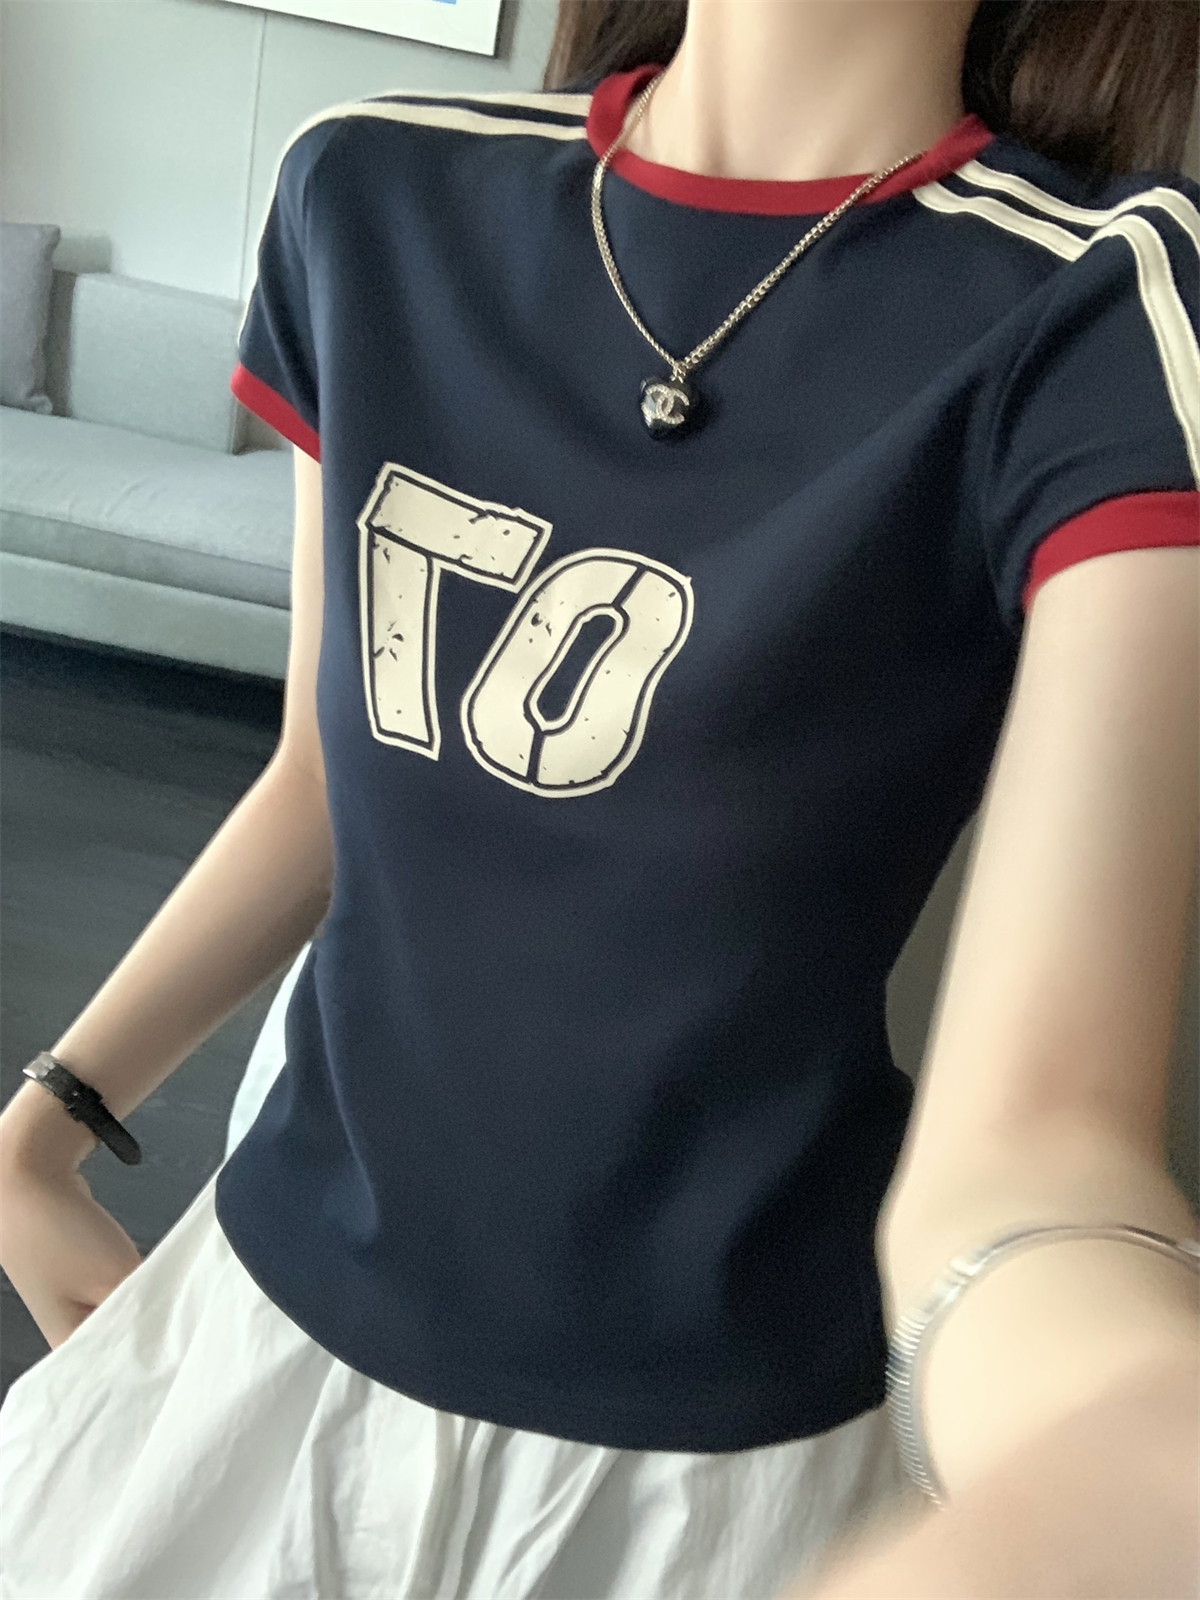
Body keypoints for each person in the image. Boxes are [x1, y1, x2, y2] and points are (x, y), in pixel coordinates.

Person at [1, 2, 1197, 1596]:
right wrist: (45, 1124)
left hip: (703, 1459)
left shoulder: (1102, 302)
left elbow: (1040, 1134)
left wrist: (1119, 1440)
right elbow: (324, 779)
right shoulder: (372, 191)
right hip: (268, 1312)